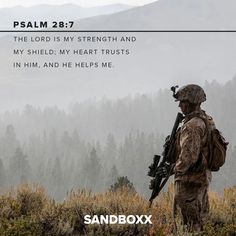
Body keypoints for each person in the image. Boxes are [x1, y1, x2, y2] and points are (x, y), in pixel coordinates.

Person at [172, 84, 213, 232]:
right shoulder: (205, 120)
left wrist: (174, 168)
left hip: (190, 183)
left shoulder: (193, 126)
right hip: (199, 179)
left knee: (188, 226)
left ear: (191, 103)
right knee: (199, 222)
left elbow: (189, 157)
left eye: (182, 102)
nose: (180, 106)